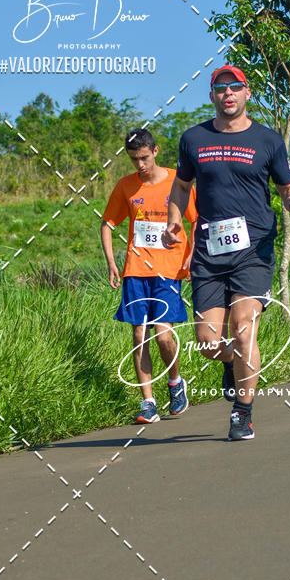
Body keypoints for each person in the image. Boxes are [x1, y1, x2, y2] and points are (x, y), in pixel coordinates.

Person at [162, 65, 290, 441]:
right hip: (209, 252)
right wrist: (174, 219)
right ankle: (231, 364)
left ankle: (243, 413)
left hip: (253, 250)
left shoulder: (268, 140)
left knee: (243, 327)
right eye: (221, 88)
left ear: (247, 93)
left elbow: (288, 187)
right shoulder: (194, 138)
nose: (228, 94)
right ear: (212, 96)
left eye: (235, 87)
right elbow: (180, 187)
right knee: (210, 344)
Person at [101, 128, 197, 423]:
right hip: (135, 270)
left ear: (155, 151)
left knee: (163, 335)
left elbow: (199, 219)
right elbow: (107, 224)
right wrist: (111, 263)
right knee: (139, 334)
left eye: (144, 157)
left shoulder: (178, 182)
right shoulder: (126, 186)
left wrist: (194, 255)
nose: (140, 165)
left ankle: (175, 382)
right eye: (133, 160)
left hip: (169, 269)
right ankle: (148, 402)